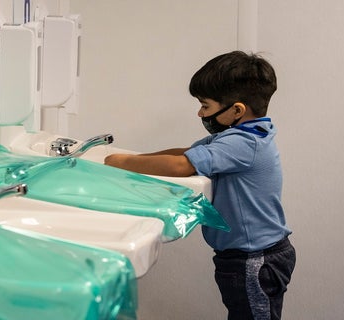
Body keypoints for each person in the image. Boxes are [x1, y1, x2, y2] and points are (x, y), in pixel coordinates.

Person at [104, 51, 296, 320]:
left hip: (254, 260)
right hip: (252, 256)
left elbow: (182, 165)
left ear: (237, 110)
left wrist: (121, 163)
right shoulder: (243, 135)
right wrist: (136, 159)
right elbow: (184, 152)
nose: (200, 112)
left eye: (205, 106)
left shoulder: (243, 143)